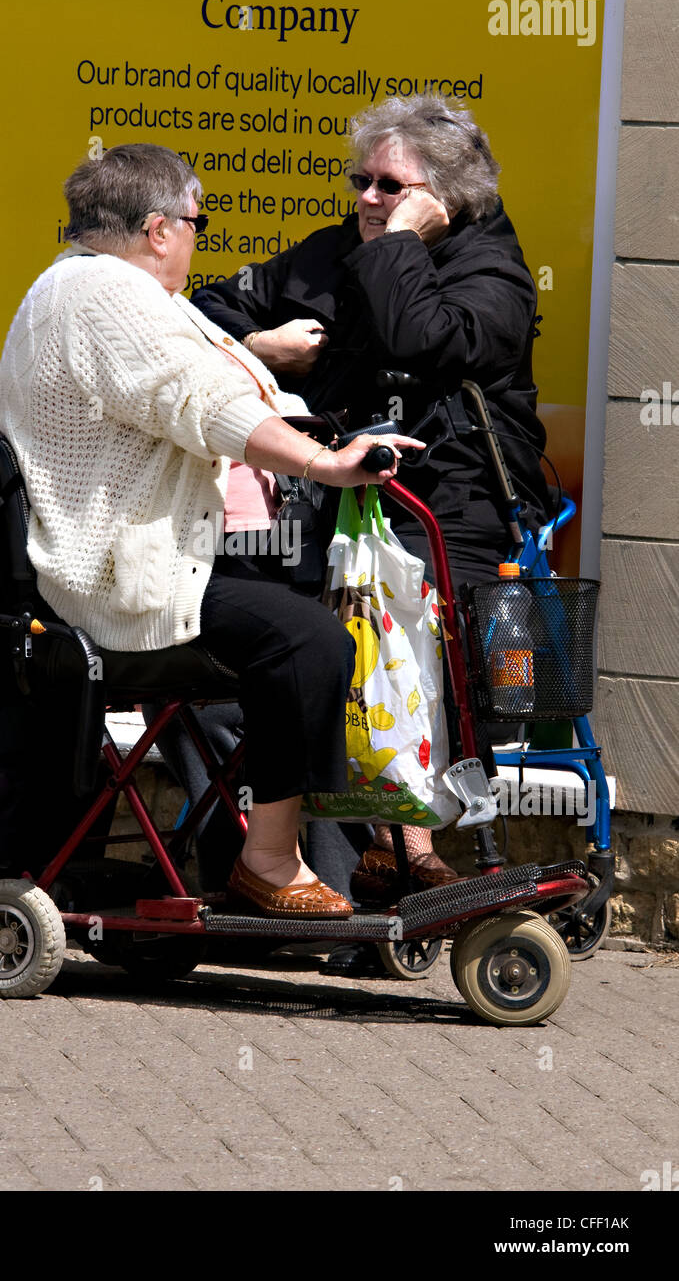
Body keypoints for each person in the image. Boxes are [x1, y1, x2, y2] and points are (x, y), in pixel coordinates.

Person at [0, 143, 421, 920]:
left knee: (299, 627)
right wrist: (323, 463)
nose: (198, 236)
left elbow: (222, 381)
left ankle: (294, 851)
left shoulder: (99, 290)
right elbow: (197, 400)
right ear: (158, 228)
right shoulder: (100, 293)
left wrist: (323, 432)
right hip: (115, 586)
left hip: (139, 566)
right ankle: (269, 861)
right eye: (196, 221)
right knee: (306, 639)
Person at [192, 95, 553, 952]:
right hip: (329, 493)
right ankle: (346, 858)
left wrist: (396, 245)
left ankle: (408, 847)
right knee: (311, 645)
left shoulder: (490, 269)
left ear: (445, 198)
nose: (366, 198)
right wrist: (262, 349)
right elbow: (206, 309)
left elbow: (420, 334)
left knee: (420, 658)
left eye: (391, 186)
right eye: (361, 180)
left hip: (450, 499)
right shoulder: (334, 248)